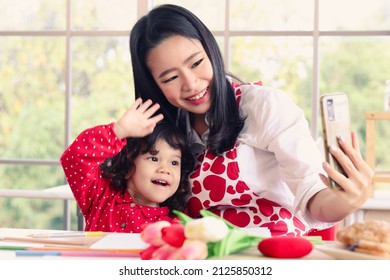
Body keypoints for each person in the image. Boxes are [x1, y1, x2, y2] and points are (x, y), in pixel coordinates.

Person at [127, 4, 374, 236]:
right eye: (170, 78)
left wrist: (346, 200)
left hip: (276, 253)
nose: (191, 84)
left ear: (211, 51)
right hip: (204, 258)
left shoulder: (263, 106)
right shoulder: (162, 132)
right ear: (155, 87)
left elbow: (313, 195)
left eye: (197, 63)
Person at [60, 98, 194, 233]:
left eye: (174, 162)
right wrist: (119, 130)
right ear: (129, 165)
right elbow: (74, 158)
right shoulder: (100, 196)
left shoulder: (178, 226)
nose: (165, 169)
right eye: (153, 158)